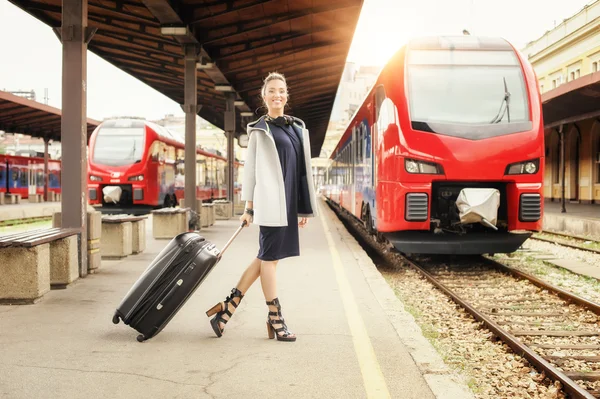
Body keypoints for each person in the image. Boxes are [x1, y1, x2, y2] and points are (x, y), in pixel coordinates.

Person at [205, 72, 318, 342]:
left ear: (286, 95)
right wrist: (248, 208)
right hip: (269, 204)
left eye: (281, 90)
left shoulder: (296, 128)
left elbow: (302, 171)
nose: (277, 95)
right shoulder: (259, 130)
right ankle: (275, 318)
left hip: (289, 205)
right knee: (269, 260)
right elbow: (251, 172)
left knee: (266, 257)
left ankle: (226, 310)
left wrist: (303, 208)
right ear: (264, 96)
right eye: (272, 91)